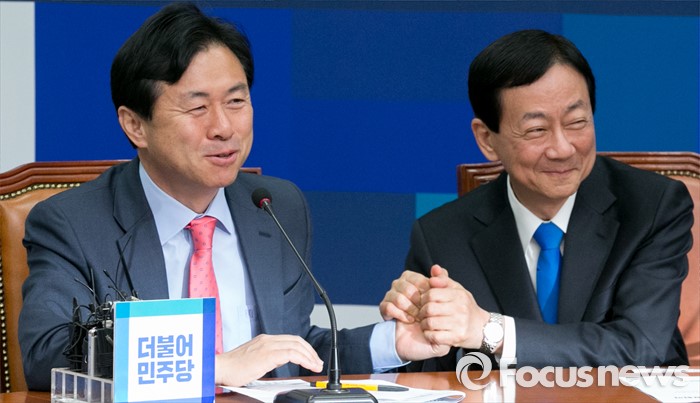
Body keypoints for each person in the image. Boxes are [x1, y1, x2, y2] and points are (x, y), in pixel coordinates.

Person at [19, 2, 447, 391]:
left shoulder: (276, 206)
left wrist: (392, 341)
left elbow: (291, 351)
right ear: (135, 125)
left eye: (236, 101)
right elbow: (47, 354)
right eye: (197, 107)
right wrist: (210, 366)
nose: (224, 127)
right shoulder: (73, 224)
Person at [380, 29, 693, 371]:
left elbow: (639, 348)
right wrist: (413, 326)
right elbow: (432, 375)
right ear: (487, 139)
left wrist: (489, 331)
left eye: (577, 122)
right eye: (537, 130)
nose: (562, 148)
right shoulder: (440, 236)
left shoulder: (651, 207)